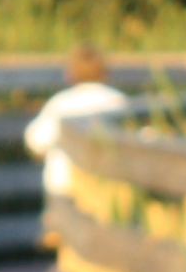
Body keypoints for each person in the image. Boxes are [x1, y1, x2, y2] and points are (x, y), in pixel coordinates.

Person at [21, 46, 131, 196]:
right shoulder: (120, 102)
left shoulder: (60, 104)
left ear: (70, 74)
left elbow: (37, 141)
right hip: (109, 193)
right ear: (105, 73)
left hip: (65, 190)